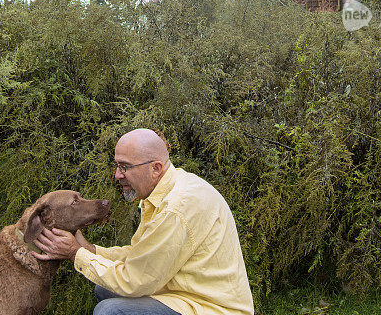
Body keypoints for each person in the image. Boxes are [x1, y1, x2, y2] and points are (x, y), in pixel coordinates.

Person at [32, 128, 255, 315]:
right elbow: (141, 256)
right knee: (104, 289)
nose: (117, 175)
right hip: (182, 293)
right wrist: (91, 250)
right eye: (117, 165)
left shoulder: (176, 208)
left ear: (155, 168)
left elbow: (135, 280)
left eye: (125, 166)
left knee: (110, 311)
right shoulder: (164, 193)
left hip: (211, 308)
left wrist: (74, 253)